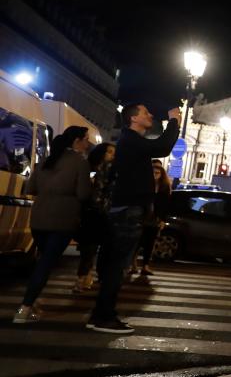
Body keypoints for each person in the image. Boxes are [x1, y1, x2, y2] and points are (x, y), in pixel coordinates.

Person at [87, 103, 180, 334]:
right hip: (128, 211)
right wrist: (175, 121)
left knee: (115, 265)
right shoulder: (130, 140)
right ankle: (104, 317)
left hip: (126, 209)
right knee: (118, 267)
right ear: (133, 119)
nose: (150, 115)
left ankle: (101, 314)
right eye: (145, 113)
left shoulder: (130, 142)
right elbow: (164, 146)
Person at [13, 126, 93, 324]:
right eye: (85, 139)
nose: (87, 143)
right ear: (76, 141)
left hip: (39, 218)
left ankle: (32, 302)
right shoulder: (80, 162)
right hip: (63, 219)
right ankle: (25, 307)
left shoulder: (45, 162)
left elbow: (30, 188)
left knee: (43, 260)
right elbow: (84, 194)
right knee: (46, 263)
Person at [74, 142, 116, 293]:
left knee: (96, 249)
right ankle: (82, 278)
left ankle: (88, 276)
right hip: (91, 213)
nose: (112, 155)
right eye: (109, 152)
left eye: (113, 152)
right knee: (89, 249)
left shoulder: (112, 172)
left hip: (103, 213)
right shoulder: (90, 169)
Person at [135, 159, 172, 277]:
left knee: (150, 243)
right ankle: (133, 264)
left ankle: (145, 265)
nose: (155, 175)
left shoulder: (164, 188)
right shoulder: (144, 186)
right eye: (153, 173)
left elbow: (165, 205)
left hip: (155, 219)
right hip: (143, 218)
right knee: (138, 242)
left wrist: (162, 219)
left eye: (157, 173)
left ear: (161, 175)